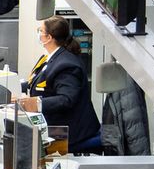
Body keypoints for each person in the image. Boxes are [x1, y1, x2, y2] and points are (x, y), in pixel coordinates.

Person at [15, 16, 101, 152]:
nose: (38, 33)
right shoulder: (50, 58)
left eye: (40, 30)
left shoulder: (67, 65)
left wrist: (34, 103)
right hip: (52, 123)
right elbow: (36, 83)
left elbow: (66, 99)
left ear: (49, 37)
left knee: (23, 146)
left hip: (68, 131)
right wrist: (11, 86)